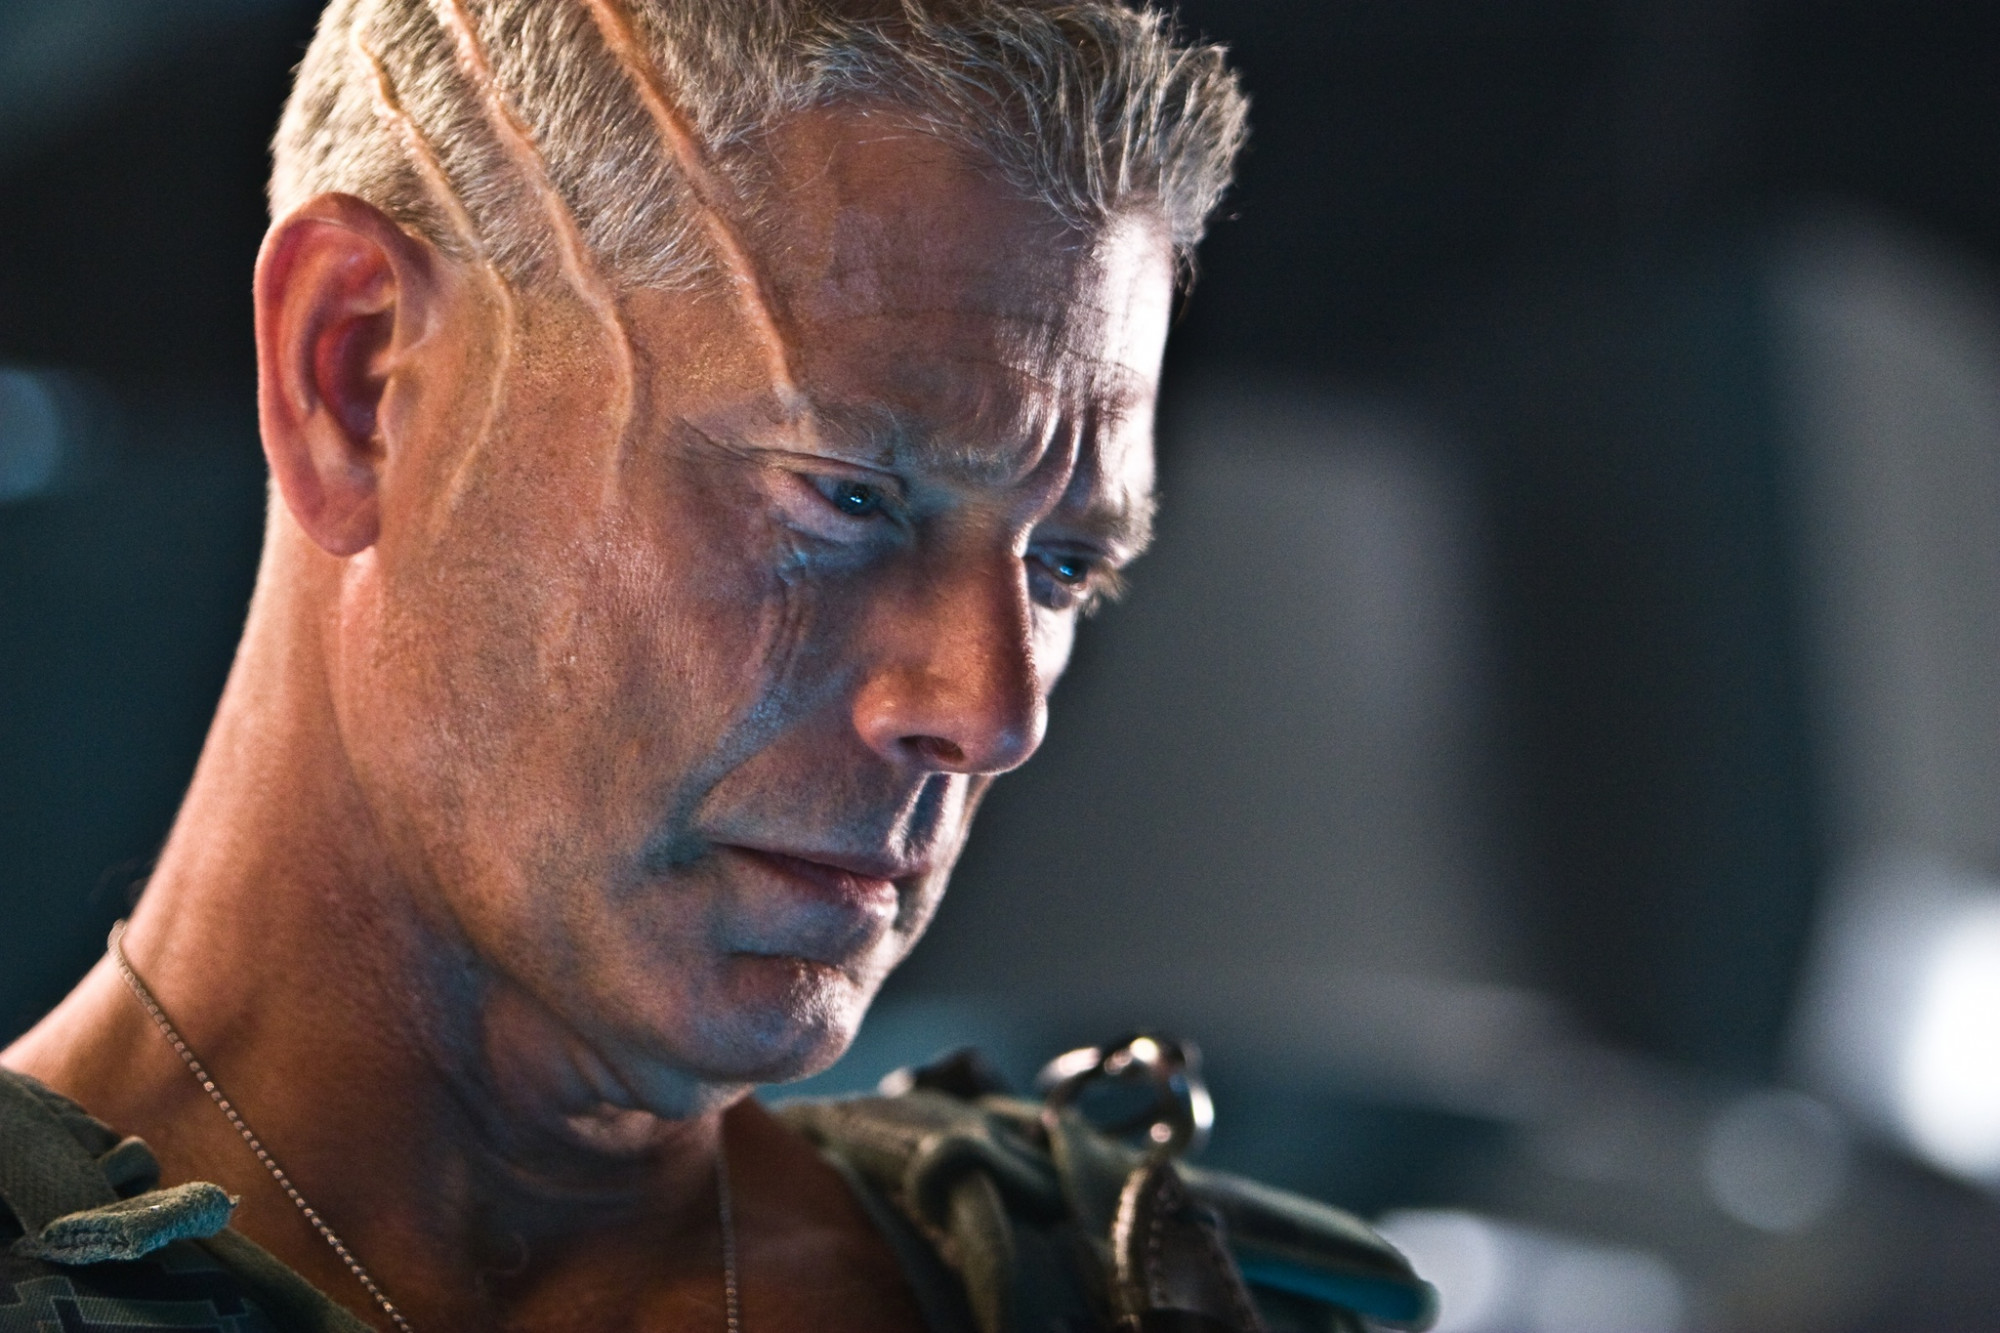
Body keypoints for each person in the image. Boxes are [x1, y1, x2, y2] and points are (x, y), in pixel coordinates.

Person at [0, 2, 1433, 1330]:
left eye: (1064, 566)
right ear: (358, 376)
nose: (990, 713)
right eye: (847, 497)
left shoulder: (1127, 1289)